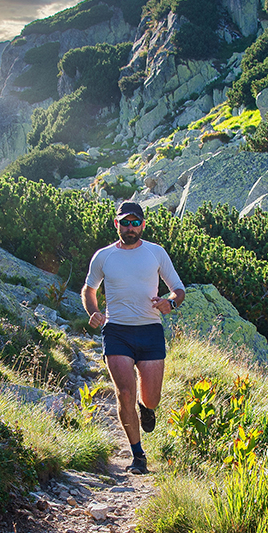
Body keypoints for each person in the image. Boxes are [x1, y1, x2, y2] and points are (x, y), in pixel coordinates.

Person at [83, 202, 185, 475]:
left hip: (150, 330)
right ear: (116, 225)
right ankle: (138, 455)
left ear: (143, 224)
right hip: (117, 331)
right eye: (124, 223)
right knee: (124, 392)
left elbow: (178, 289)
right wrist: (93, 313)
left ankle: (145, 407)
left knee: (150, 399)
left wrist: (170, 303)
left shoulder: (156, 253)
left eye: (135, 223)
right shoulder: (103, 257)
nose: (130, 228)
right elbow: (89, 289)